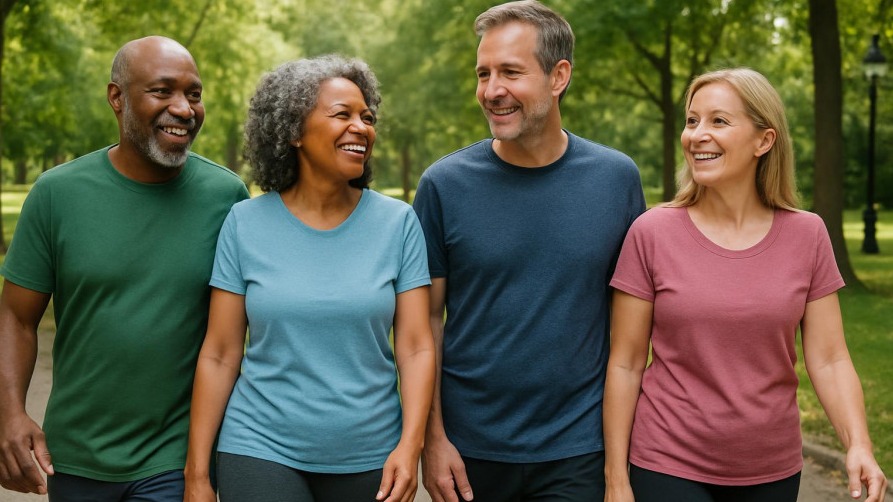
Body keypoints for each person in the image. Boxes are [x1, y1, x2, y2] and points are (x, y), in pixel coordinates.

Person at [604, 67, 888, 502]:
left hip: (772, 467)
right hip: (667, 461)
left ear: (764, 140)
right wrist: (616, 480)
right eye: (692, 120)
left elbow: (830, 359)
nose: (697, 135)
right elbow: (625, 364)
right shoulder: (652, 232)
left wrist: (859, 444)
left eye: (718, 121)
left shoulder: (808, 235)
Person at [412, 1, 646, 500]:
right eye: (483, 74)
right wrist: (433, 440)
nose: (492, 90)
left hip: (578, 449)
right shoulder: (442, 185)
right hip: (469, 452)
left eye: (511, 72)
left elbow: (630, 330)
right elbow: (424, 322)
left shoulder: (616, 180)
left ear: (558, 76)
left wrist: (617, 467)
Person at [0, 36, 250, 501]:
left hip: (174, 458)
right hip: (75, 456)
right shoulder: (56, 194)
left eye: (194, 94)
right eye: (162, 91)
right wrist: (9, 413)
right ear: (117, 98)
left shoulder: (227, 197)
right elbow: (16, 316)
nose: (184, 108)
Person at [183, 55, 435, 502]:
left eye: (367, 118)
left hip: (372, 454)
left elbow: (415, 348)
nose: (361, 127)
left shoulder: (398, 223)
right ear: (293, 131)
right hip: (259, 446)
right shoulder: (244, 223)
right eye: (342, 114)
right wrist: (197, 475)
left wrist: (410, 445)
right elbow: (220, 353)